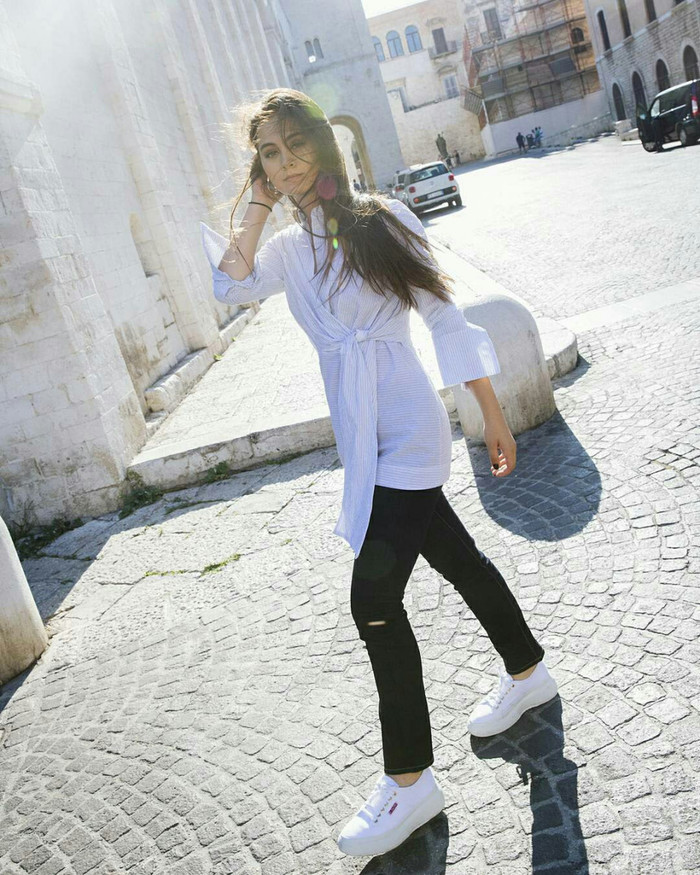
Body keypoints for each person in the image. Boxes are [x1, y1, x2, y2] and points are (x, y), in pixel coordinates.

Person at [200, 87, 558, 859]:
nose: (286, 161)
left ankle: (410, 778)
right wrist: (258, 202)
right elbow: (228, 283)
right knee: (459, 559)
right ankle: (528, 669)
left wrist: (490, 411)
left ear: (321, 141)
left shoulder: (382, 220)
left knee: (373, 599)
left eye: (294, 142)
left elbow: (444, 316)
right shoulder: (288, 251)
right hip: (364, 442)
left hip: (410, 432)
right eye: (269, 153)